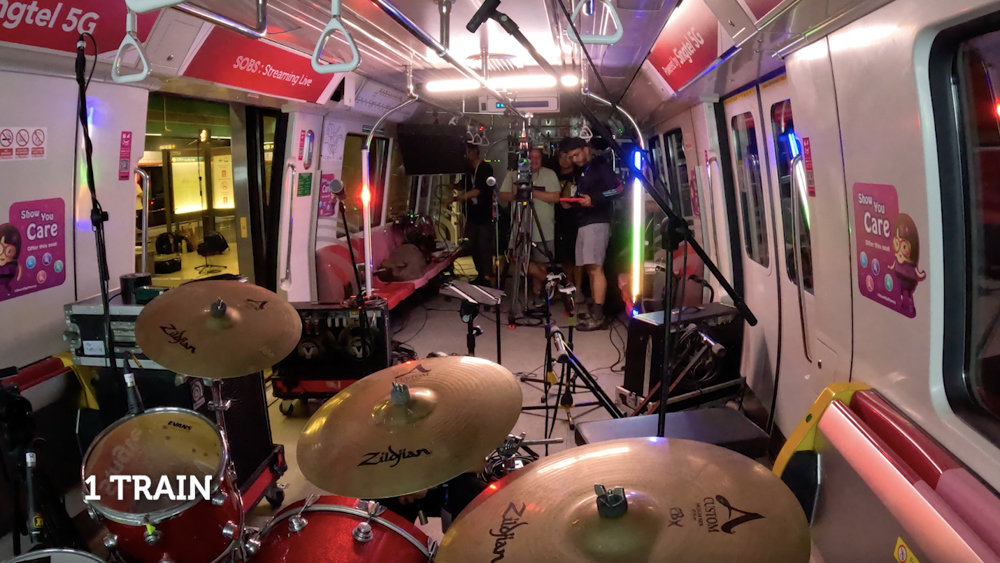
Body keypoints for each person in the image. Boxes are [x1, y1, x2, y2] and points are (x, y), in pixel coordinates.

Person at [560, 137, 623, 330]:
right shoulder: (585, 170)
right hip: (586, 222)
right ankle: (596, 309)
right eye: (571, 157)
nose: (575, 159)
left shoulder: (600, 167)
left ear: (586, 149)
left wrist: (595, 199)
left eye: (577, 154)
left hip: (597, 223)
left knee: (595, 269)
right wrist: (574, 202)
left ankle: (598, 316)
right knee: (590, 269)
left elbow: (619, 189)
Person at [499, 147, 562, 309]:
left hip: (544, 228)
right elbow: (502, 195)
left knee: (541, 263)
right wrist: (517, 194)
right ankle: (550, 281)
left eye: (537, 157)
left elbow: (555, 197)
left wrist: (529, 191)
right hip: (520, 227)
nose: (534, 160)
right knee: (517, 259)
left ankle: (538, 295)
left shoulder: (550, 174)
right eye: (531, 157)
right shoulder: (513, 175)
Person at [448, 145, 495, 286]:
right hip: (472, 216)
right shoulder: (468, 171)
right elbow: (462, 185)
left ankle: (487, 277)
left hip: (484, 216)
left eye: (468, 151)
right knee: (473, 246)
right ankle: (480, 274)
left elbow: (477, 191)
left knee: (483, 247)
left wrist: (456, 199)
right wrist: (451, 185)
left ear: (475, 151)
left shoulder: (485, 168)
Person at [554, 149, 581, 293]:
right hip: (559, 220)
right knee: (565, 257)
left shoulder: (579, 175)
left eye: (567, 156)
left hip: (577, 219)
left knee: (578, 257)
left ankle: (579, 288)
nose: (564, 160)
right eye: (561, 156)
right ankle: (569, 284)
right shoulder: (553, 175)